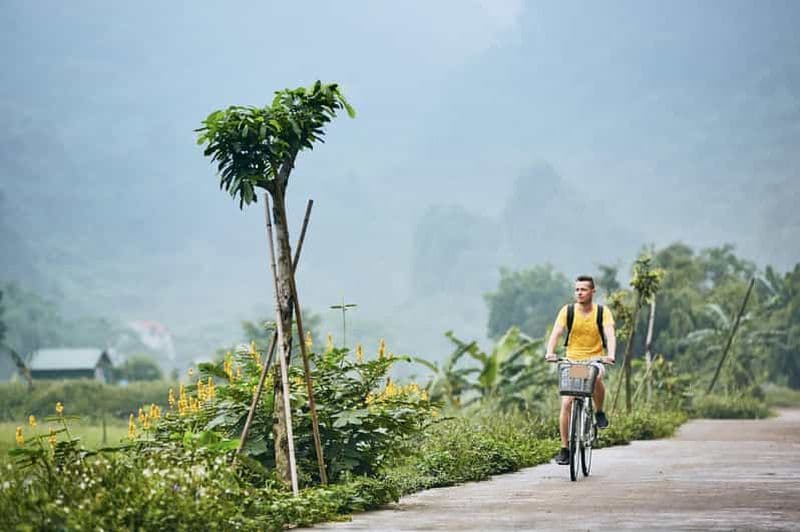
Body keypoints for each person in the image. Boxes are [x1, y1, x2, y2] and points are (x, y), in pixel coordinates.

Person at [545, 275, 616, 465]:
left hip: (595, 359)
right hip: (572, 361)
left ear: (593, 292)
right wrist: (550, 352)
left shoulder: (602, 312)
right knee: (567, 402)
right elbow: (556, 333)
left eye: (583, 289)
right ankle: (565, 448)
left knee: (596, 379)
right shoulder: (567, 311)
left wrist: (611, 354)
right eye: (577, 289)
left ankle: (599, 412)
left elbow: (610, 334)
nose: (579, 293)